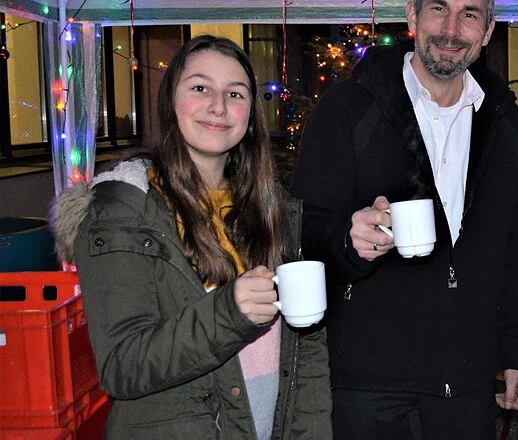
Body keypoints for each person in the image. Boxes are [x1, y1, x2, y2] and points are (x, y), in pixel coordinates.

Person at [291, 0, 518, 439]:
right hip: (370, 382)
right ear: (412, 17)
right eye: (438, 9)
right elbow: (304, 226)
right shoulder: (348, 108)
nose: (451, 29)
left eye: (469, 15)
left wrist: (517, 354)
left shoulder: (504, 122)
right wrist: (349, 240)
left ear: (487, 31)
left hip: (466, 378)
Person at [52, 35, 332, 438]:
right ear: (171, 102)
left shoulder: (271, 208)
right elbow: (123, 366)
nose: (218, 106)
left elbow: (305, 355)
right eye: (200, 88)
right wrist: (228, 312)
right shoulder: (123, 212)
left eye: (235, 93)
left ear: (251, 113)